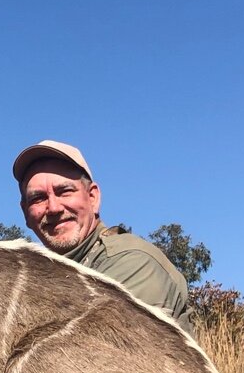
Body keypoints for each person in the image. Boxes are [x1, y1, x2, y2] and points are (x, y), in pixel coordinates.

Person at [11, 140, 193, 335]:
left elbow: (97, 355)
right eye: (38, 198)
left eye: (64, 191)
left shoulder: (131, 262)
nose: (54, 208)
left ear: (93, 198)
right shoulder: (42, 274)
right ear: (25, 213)